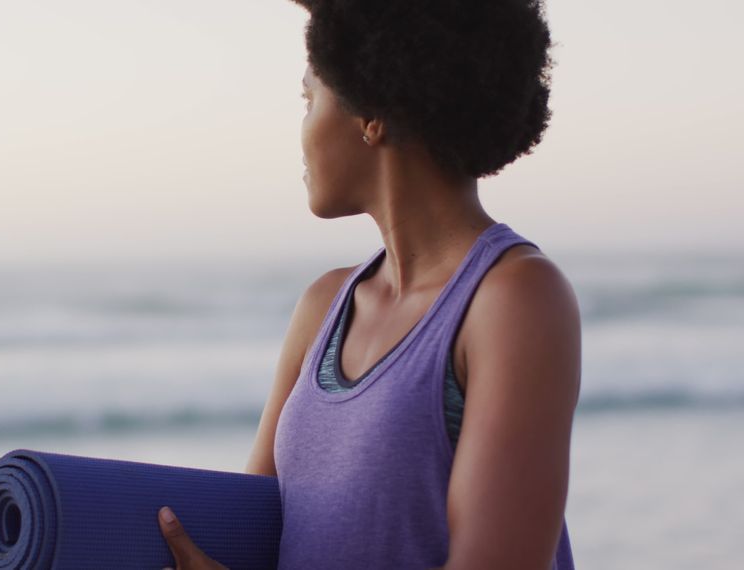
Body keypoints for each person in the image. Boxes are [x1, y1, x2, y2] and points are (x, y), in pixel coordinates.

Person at [158, 0, 579, 568]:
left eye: (309, 100)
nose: (302, 129)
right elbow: (246, 541)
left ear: (371, 112)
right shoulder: (324, 306)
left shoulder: (514, 300)